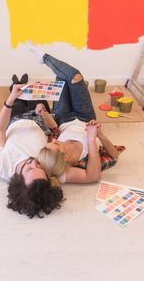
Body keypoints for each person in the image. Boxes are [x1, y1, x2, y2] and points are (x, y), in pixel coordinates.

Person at [28, 47, 123, 184]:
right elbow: (114, 156)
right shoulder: (84, 161)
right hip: (85, 116)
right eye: (57, 145)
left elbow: (55, 130)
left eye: (51, 143)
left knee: (61, 79)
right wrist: (97, 136)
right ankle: (44, 58)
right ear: (65, 157)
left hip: (63, 116)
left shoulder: (52, 153)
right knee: (75, 78)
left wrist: (44, 113)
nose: (53, 141)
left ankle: (44, 58)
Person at [0, 77, 64, 219]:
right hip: (39, 118)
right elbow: (55, 132)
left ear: (18, 179)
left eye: (29, 169)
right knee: (33, 90)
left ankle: (15, 82)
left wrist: (10, 100)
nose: (34, 162)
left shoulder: (2, 165)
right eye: (40, 168)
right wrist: (44, 114)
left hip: (15, 118)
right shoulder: (49, 165)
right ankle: (23, 80)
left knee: (16, 91)